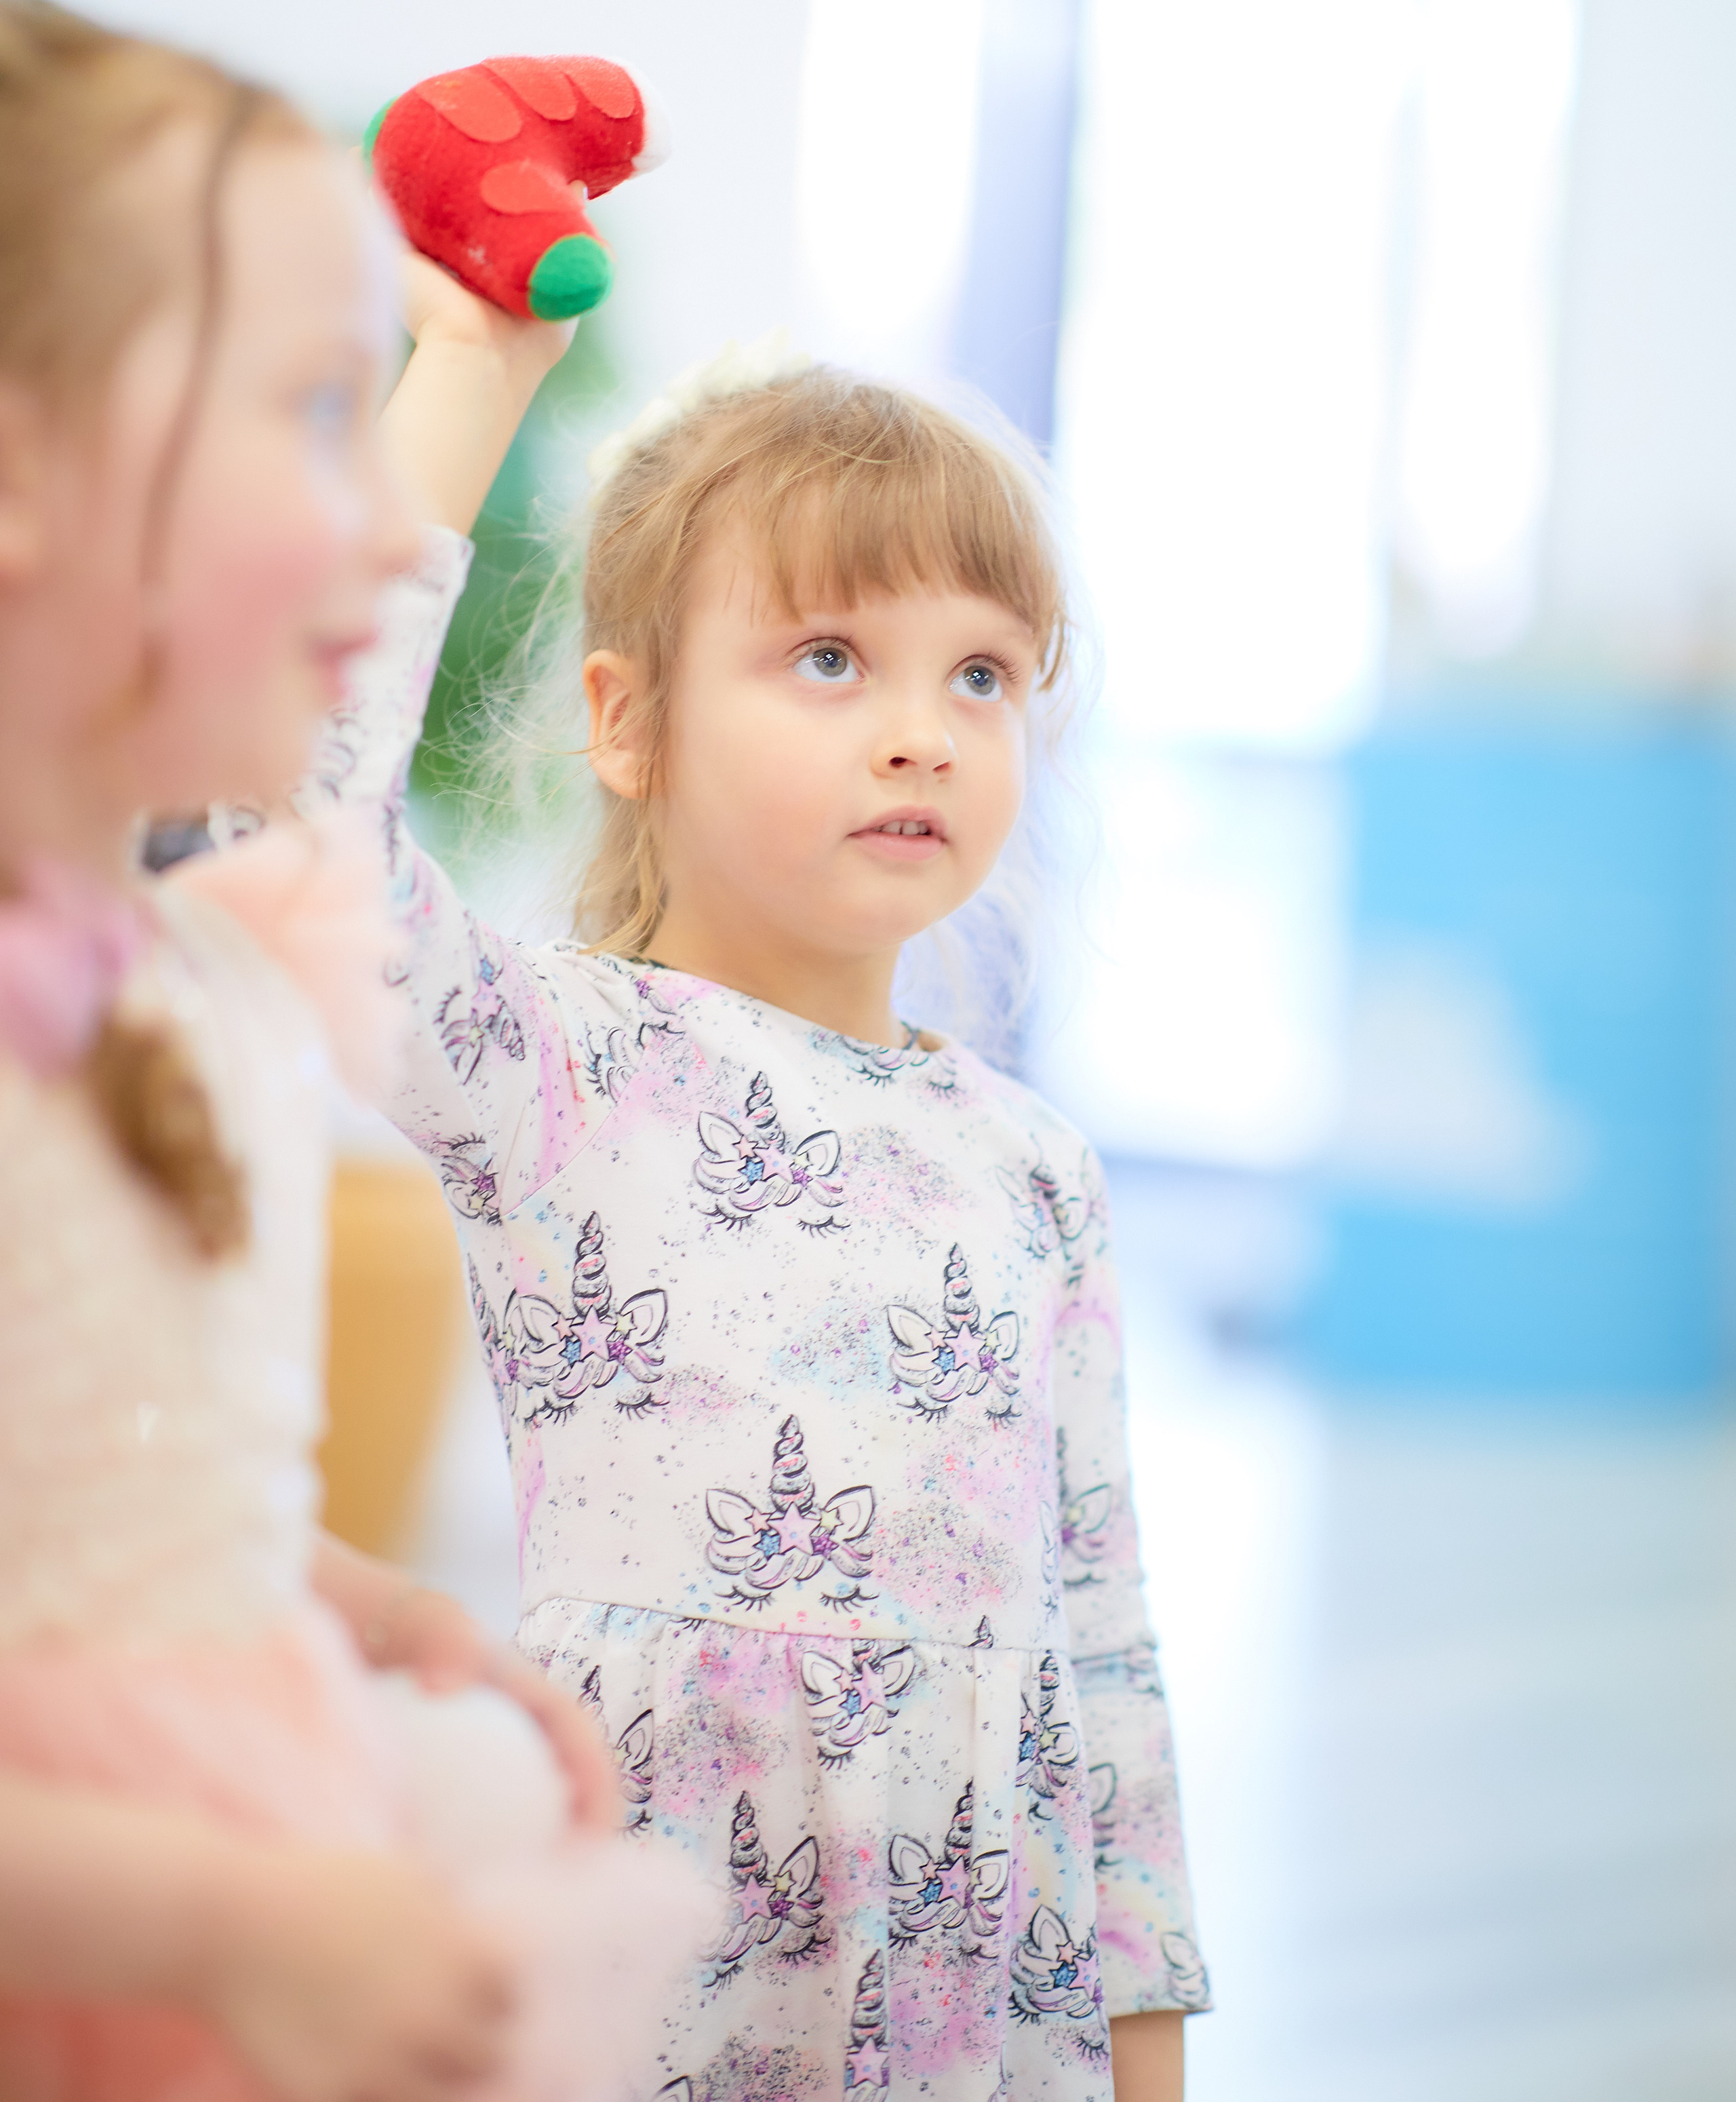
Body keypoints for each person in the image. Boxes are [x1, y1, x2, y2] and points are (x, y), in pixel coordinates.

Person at [313, 205, 1212, 2098]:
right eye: (830, 658)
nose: (924, 734)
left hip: (978, 1990)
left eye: (982, 675)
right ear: (627, 725)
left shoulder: (1037, 1168)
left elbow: (1108, 1650)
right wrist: (472, 374)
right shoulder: (559, 1065)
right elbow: (301, 830)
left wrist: (1146, 2052)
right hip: (666, 1943)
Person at [0, 7, 702, 2097]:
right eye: (318, 412)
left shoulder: (187, 976)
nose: (396, 535)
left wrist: (319, 1600)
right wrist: (226, 1924)